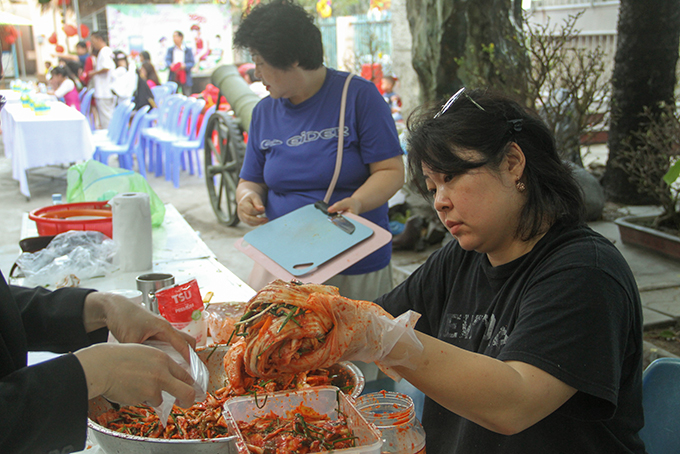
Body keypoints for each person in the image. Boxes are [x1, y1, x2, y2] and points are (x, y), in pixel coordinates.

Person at [368, 89, 645, 453]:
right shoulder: (460, 258)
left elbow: (515, 403)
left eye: (451, 176)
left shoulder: (586, 272)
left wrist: (381, 338)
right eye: (432, 186)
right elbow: (378, 318)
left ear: (513, 163)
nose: (439, 201)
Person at [233, 0, 404, 302]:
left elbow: (390, 171)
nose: (256, 73)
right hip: (286, 259)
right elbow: (251, 179)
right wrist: (246, 198)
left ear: (293, 58)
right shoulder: (264, 112)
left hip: (355, 259)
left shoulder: (359, 97)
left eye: (260, 62)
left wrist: (358, 202)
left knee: (359, 344)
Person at [88, 31, 117, 128]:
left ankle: (109, 135)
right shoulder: (105, 51)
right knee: (106, 117)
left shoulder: (104, 51)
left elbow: (106, 67)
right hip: (104, 91)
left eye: (93, 41)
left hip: (104, 91)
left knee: (106, 119)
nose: (92, 44)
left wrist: (94, 73)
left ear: (99, 39)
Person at [165, 30, 195, 95]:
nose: (174, 39)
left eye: (175, 37)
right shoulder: (171, 50)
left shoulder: (187, 50)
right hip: (174, 75)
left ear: (181, 37)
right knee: (173, 94)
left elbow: (192, 62)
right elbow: (167, 60)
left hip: (185, 75)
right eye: (173, 37)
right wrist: (170, 65)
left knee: (186, 94)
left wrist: (185, 66)